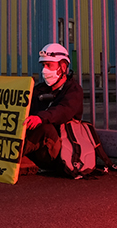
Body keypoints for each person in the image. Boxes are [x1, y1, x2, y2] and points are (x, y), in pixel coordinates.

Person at [20, 42, 84, 173]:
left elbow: (63, 111)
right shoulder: (39, 89)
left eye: (49, 65)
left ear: (63, 66)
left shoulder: (73, 91)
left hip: (58, 149)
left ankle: (9, 155)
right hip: (39, 147)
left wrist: (40, 117)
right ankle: (18, 159)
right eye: (44, 65)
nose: (45, 69)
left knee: (45, 128)